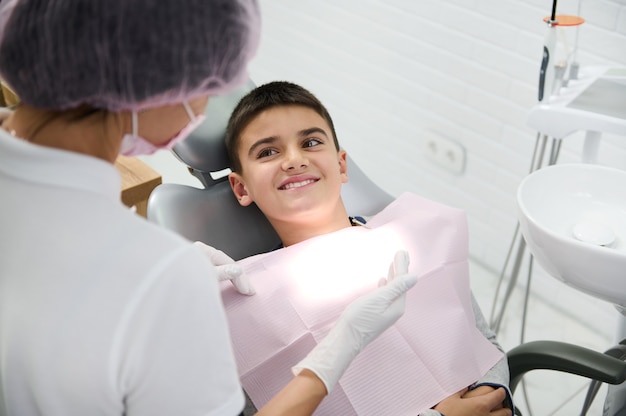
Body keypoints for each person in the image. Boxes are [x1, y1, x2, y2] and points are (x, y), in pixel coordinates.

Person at [0, 2, 418, 415]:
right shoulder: (156, 275)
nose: (205, 111)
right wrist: (331, 359)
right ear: (153, 86)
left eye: (311, 142)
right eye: (209, 84)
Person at [224, 81, 515, 416]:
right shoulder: (248, 313)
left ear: (342, 164)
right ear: (241, 187)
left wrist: (493, 395)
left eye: (311, 142)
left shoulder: (417, 239)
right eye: (268, 152)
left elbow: (484, 342)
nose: (294, 159)